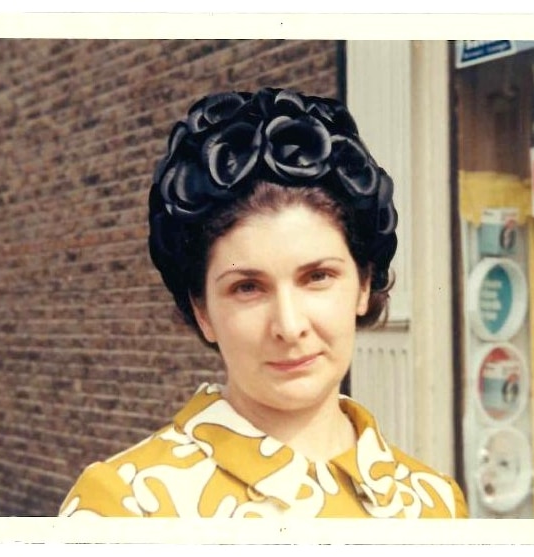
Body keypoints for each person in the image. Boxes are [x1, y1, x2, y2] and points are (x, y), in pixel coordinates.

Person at [58, 87, 468, 518]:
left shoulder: (434, 503)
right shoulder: (122, 509)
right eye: (247, 288)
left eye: (317, 277)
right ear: (202, 311)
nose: (289, 327)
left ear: (364, 284)